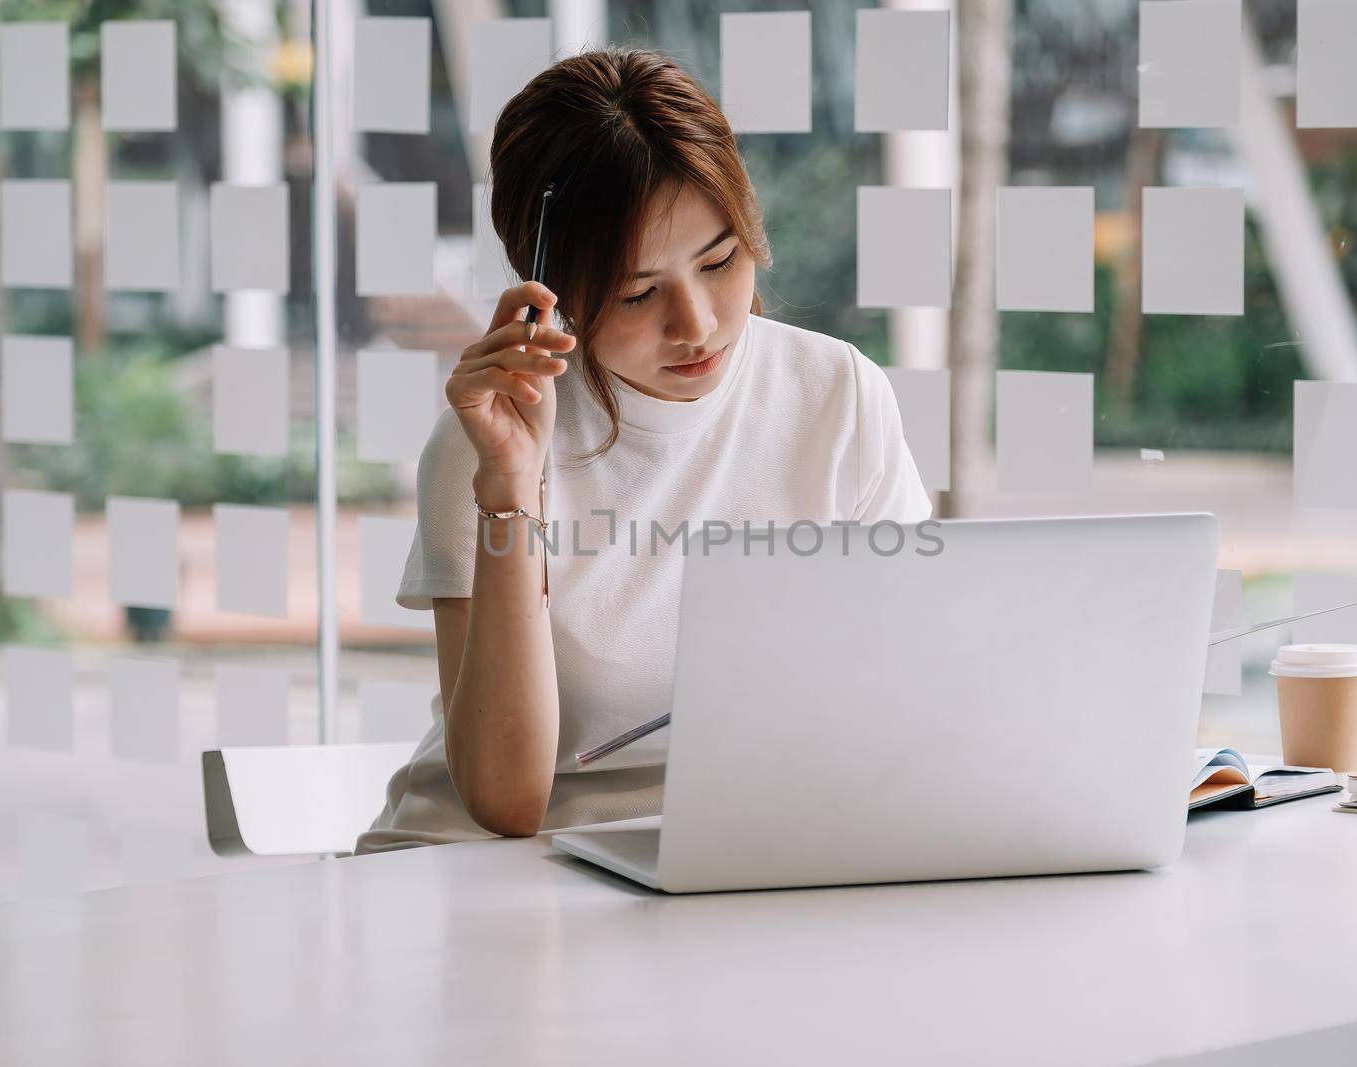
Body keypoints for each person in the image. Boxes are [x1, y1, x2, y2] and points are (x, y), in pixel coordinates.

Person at [354, 46, 931, 854]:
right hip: (498, 870)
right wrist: (511, 487)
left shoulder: (836, 394)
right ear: (547, 288)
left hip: (735, 856)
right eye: (636, 292)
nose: (695, 324)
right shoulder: (490, 442)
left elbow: (915, 688)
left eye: (720, 259)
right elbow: (506, 800)